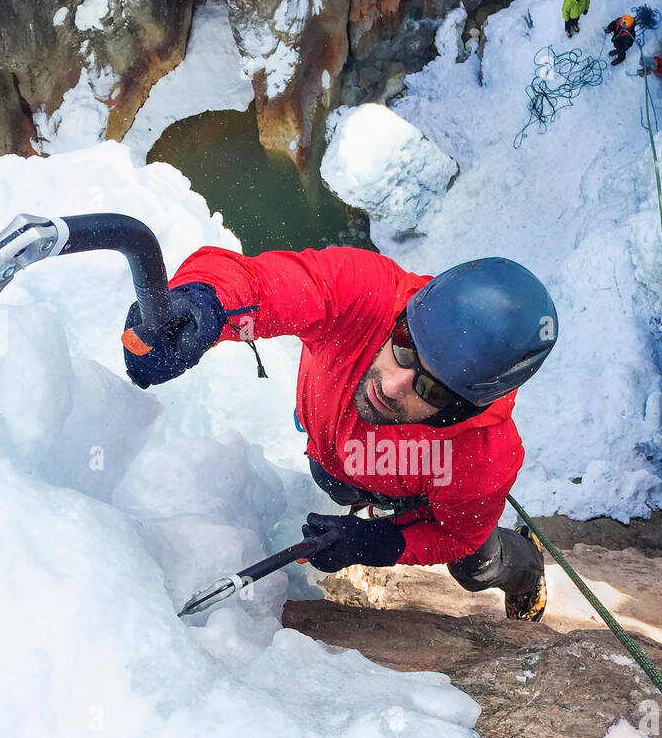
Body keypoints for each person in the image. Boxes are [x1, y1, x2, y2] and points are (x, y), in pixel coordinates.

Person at [120, 247, 559, 621]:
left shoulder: (481, 456)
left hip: (424, 485)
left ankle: (526, 566)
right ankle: (365, 489)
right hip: (343, 462)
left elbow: (456, 537)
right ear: (407, 315)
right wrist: (202, 305)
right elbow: (267, 284)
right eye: (405, 346)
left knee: (475, 569)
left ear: (464, 406)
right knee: (332, 481)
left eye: (430, 388)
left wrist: (379, 542)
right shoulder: (369, 295)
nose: (391, 385)